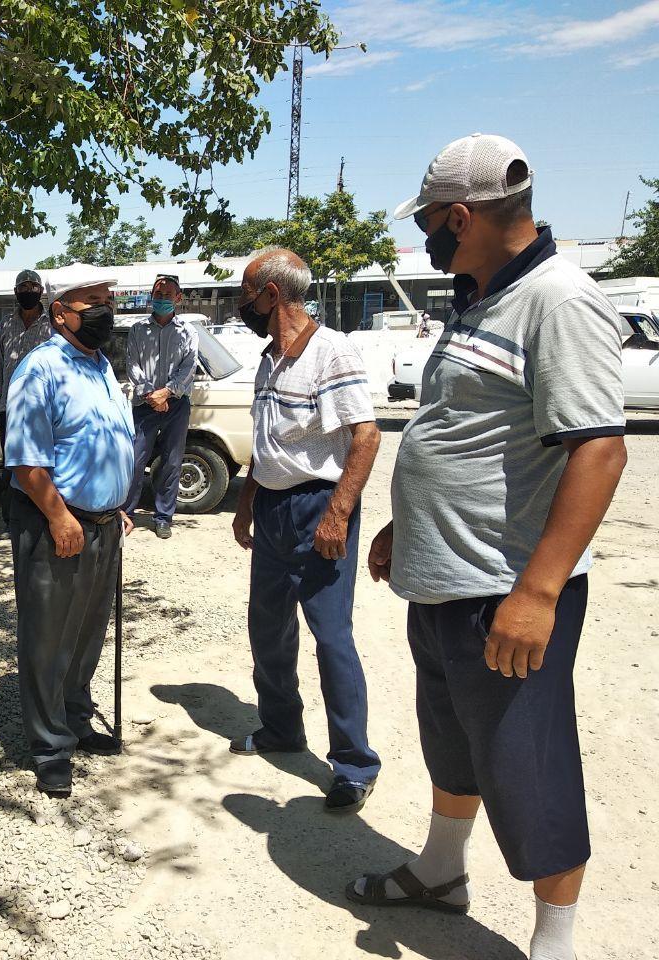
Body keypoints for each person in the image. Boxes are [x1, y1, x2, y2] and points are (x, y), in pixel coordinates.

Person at [347, 135, 628, 960]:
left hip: (503, 593)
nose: (429, 235)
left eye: (432, 221)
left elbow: (599, 451)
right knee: (453, 741)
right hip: (447, 584)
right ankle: (441, 873)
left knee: (528, 768)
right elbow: (461, 430)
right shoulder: (481, 297)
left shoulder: (559, 301)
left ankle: (556, 943)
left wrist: (537, 593)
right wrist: (411, 523)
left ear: (461, 215)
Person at [228, 249, 383, 815]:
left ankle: (354, 764)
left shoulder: (332, 351)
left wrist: (338, 513)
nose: (242, 306)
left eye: (247, 296)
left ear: (273, 294)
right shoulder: (270, 358)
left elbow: (365, 438)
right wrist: (246, 503)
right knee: (267, 627)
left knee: (331, 636)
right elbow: (265, 441)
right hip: (270, 508)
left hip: (318, 507)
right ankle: (280, 727)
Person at [6, 275, 136, 796]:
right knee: (48, 637)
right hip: (56, 522)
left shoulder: (102, 364)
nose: (107, 311)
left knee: (86, 632)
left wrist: (118, 503)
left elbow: (105, 439)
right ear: (61, 313)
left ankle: (77, 719)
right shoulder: (40, 369)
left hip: (103, 523)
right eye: (95, 303)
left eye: (110, 302)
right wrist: (61, 517)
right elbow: (26, 461)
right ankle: (50, 745)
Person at [123, 274, 199, 539]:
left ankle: (163, 516)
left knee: (171, 461)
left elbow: (189, 368)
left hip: (176, 404)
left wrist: (166, 393)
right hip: (144, 404)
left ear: (178, 298)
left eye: (168, 295)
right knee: (134, 459)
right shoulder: (137, 330)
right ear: (151, 296)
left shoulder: (188, 332)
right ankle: (126, 514)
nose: (162, 298)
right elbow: (132, 364)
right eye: (158, 294)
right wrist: (151, 396)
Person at [0, 269, 50, 523]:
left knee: (43, 463)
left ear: (41, 292)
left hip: (43, 406)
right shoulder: (5, 324)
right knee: (11, 466)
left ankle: (44, 512)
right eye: (23, 288)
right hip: (10, 408)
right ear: (16, 292)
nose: (28, 292)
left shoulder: (52, 324)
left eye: (33, 288)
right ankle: (12, 518)